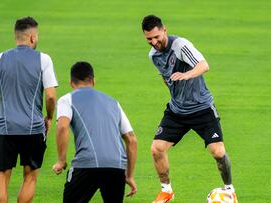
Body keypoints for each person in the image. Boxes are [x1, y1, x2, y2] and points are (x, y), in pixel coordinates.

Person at [141, 15, 237, 203]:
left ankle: (229, 190)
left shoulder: (180, 46)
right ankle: (166, 191)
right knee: (156, 149)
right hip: (177, 111)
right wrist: (176, 93)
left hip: (202, 108)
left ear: (164, 30)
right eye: (149, 39)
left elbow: (204, 65)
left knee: (218, 152)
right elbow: (165, 77)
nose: (154, 42)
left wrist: (187, 75)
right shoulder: (153, 56)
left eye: (156, 37)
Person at [0, 16, 58, 203]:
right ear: (32, 37)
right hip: (33, 129)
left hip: (6, 129)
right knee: (30, 177)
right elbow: (51, 96)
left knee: (0, 178)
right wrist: (48, 117)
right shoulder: (44, 59)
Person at [52, 61, 137, 203]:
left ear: (71, 83)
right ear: (93, 81)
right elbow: (131, 139)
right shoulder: (113, 102)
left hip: (87, 163)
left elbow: (62, 126)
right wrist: (129, 175)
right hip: (116, 166)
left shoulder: (67, 99)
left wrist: (61, 160)